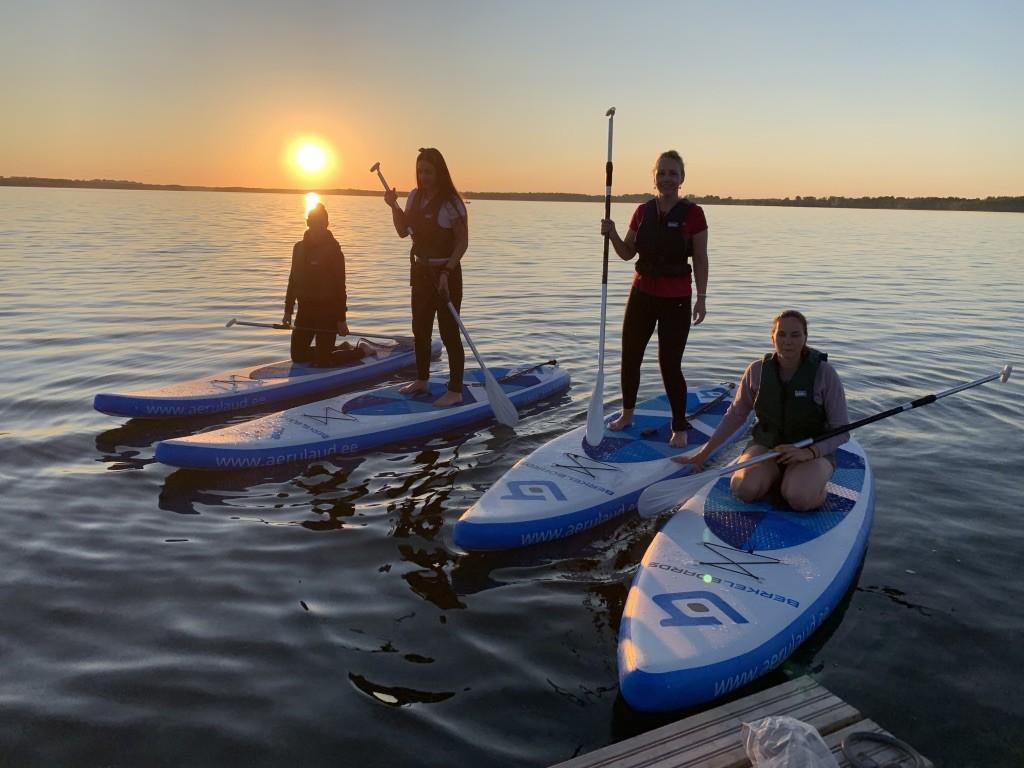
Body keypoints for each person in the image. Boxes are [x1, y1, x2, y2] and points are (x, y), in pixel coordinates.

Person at [675, 310, 850, 511]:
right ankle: (774, 478)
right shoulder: (757, 370)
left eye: (795, 335)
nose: (788, 341)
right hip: (767, 447)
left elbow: (842, 430)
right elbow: (735, 416)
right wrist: (704, 454)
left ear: (805, 338)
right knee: (744, 490)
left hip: (810, 451)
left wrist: (810, 452)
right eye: (781, 334)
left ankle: (808, 484)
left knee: (800, 499)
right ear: (772, 337)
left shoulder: (825, 373)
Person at [600, 150, 709, 447]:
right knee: (630, 356)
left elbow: (700, 258)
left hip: (676, 299)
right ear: (655, 177)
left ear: (682, 178)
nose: (667, 178)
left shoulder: (694, 214)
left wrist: (702, 298)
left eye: (673, 173)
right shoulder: (642, 211)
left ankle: (679, 426)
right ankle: (627, 414)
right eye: (662, 173)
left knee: (669, 364)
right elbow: (626, 253)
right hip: (641, 295)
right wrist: (610, 234)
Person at [383, 147, 468, 407]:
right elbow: (402, 231)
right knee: (420, 329)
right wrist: (392, 206)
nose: (424, 176)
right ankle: (422, 379)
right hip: (421, 272)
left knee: (449, 332)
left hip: (446, 275)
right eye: (420, 171)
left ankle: (455, 390)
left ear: (439, 172)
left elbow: (462, 243)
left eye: (429, 171)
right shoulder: (414, 197)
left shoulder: (452, 202)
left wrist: (446, 272)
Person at [283, 202, 364, 367]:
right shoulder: (298, 248)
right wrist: (288, 311)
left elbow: (340, 287)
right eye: (313, 224)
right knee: (298, 357)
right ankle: (335, 348)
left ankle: (362, 351)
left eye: (321, 225)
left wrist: (341, 320)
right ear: (307, 223)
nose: (317, 229)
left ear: (326, 225)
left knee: (323, 362)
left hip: (327, 312)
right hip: (305, 310)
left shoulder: (334, 251)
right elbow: (292, 281)